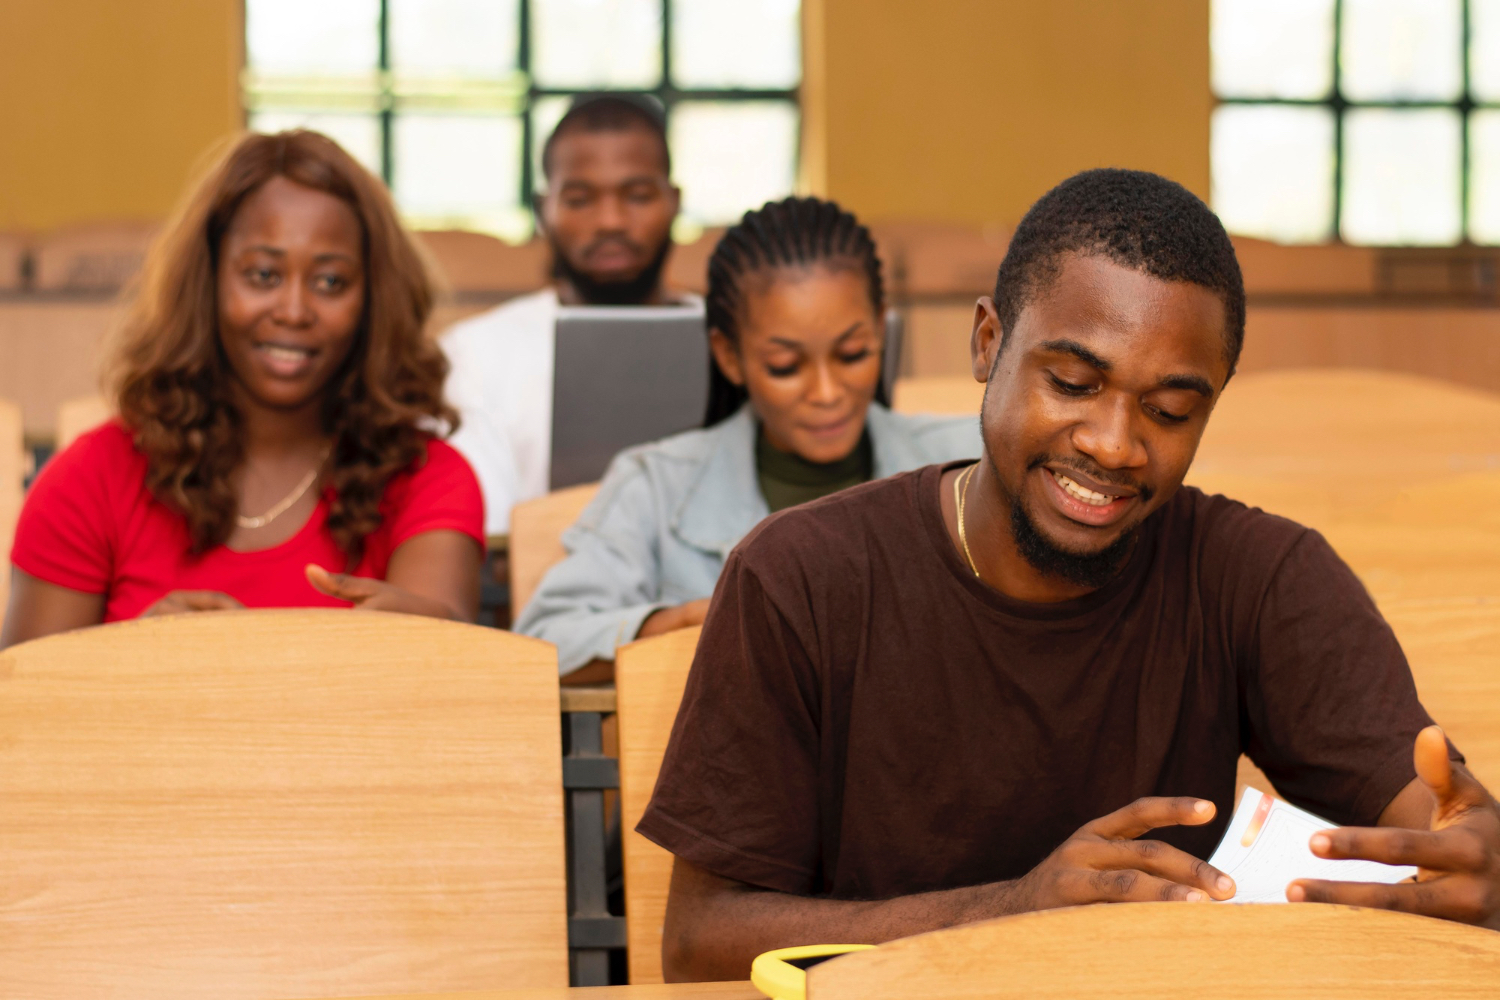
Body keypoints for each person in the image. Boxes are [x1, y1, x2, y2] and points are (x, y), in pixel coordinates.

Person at [639, 169, 1500, 980]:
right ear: (989, 343)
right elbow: (702, 940)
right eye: (1073, 381)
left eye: (1168, 411)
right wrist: (1014, 911)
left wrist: (1479, 866)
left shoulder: (1261, 578)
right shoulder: (801, 576)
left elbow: (1435, 829)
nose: (1115, 443)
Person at [1, 129, 484, 647]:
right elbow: (22, 713)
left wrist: (424, 643)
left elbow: (449, 694)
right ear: (208, 281)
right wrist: (131, 661)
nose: (294, 311)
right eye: (262, 275)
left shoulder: (429, 479)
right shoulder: (91, 478)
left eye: (330, 282)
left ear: (373, 300)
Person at [514, 196, 980, 680]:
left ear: (881, 330)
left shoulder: (969, 461)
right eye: (784, 367)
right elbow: (544, 642)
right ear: (729, 354)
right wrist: (674, 625)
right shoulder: (656, 484)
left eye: (852, 353)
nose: (825, 392)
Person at [441, 94, 699, 536]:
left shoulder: (733, 343)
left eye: (637, 195)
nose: (611, 221)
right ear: (545, 209)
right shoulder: (472, 354)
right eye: (580, 199)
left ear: (674, 202)